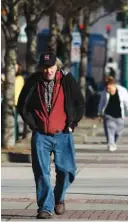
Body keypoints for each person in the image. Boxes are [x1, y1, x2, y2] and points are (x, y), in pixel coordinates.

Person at [17, 52, 85, 219]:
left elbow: (80, 103)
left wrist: (72, 124)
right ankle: (45, 207)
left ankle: (58, 198)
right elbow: (22, 105)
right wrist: (33, 125)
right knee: (41, 172)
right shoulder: (34, 81)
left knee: (67, 171)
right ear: (41, 67)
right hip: (41, 135)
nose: (48, 70)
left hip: (63, 133)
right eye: (45, 67)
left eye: (52, 67)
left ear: (57, 66)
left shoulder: (67, 80)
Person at [97, 76, 128, 152]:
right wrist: (99, 113)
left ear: (113, 84)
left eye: (109, 85)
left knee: (118, 132)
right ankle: (111, 144)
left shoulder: (122, 91)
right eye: (106, 86)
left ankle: (113, 142)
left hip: (119, 115)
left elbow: (126, 101)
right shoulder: (105, 92)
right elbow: (101, 103)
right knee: (110, 130)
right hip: (108, 114)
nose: (107, 87)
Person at [14, 62, 25, 141]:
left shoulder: (20, 78)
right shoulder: (12, 78)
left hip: (18, 102)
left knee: (18, 121)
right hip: (13, 102)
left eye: (15, 67)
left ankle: (19, 136)